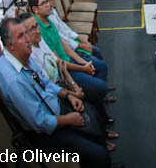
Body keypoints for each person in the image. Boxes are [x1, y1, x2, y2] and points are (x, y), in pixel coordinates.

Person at [0, 17, 117, 168]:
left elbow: (45, 82)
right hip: (46, 132)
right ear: (10, 45)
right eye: (21, 36)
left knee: (94, 117)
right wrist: (68, 119)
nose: (28, 39)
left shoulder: (24, 57)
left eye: (26, 33)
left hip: (55, 107)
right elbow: (39, 122)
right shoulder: (15, 81)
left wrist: (68, 95)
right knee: (99, 156)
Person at [20, 13, 118, 148]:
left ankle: (101, 130)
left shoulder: (40, 39)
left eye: (37, 26)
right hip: (58, 90)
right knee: (93, 98)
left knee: (94, 94)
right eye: (33, 28)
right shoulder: (30, 56)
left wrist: (73, 84)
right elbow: (47, 84)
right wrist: (71, 92)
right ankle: (100, 137)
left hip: (64, 79)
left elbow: (58, 63)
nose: (38, 30)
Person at [28, 0, 109, 98]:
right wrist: (82, 68)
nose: (48, 5)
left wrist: (83, 62)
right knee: (101, 86)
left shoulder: (48, 19)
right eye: (44, 3)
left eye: (48, 1)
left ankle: (98, 94)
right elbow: (57, 61)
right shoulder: (39, 31)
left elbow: (64, 46)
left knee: (101, 67)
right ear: (35, 9)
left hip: (69, 60)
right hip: (66, 70)